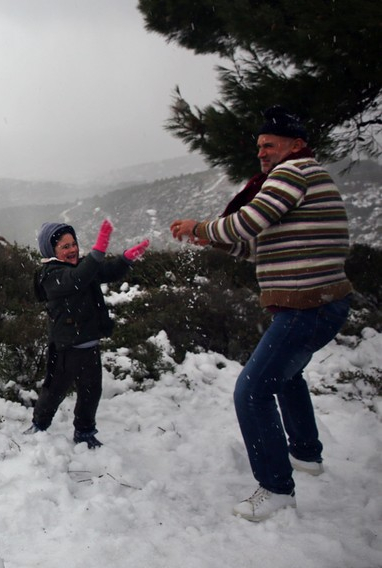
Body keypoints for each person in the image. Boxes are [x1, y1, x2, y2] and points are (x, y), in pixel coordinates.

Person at [170, 106, 353, 522]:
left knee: (251, 392)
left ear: (296, 145)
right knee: (286, 376)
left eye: (269, 144)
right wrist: (212, 241)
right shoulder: (308, 177)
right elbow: (255, 243)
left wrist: (200, 228)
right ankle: (306, 454)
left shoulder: (292, 173)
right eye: (259, 146)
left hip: (308, 305)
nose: (262, 153)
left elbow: (246, 223)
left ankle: (275, 488)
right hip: (324, 303)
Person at [25, 219, 149, 448]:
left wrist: (126, 259)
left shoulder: (81, 267)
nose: (72, 249)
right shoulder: (51, 275)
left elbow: (107, 271)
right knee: (54, 390)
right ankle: (39, 425)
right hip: (65, 348)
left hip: (89, 344)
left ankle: (84, 431)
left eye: (74, 243)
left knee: (91, 392)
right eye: (65, 246)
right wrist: (99, 248)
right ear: (51, 251)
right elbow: (77, 280)